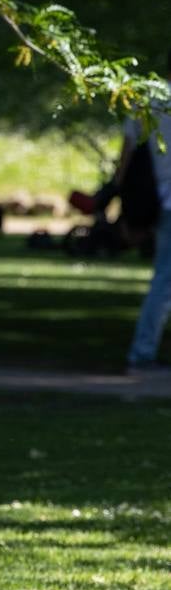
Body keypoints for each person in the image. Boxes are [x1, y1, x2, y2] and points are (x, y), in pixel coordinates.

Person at [122, 50, 171, 373]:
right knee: (165, 282)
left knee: (164, 280)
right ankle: (141, 354)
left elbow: (126, 152)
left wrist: (119, 196)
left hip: (163, 198)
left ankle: (143, 351)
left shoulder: (148, 98)